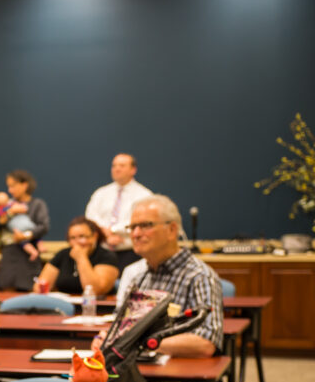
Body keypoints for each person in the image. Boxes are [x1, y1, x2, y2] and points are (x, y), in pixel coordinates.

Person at [95, 195, 223, 357]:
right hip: (134, 371)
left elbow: (206, 343)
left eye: (145, 225)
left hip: (176, 376)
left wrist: (141, 343)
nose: (135, 234)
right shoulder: (139, 277)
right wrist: (105, 338)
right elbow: (120, 329)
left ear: (172, 230)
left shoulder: (200, 276)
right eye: (132, 227)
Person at [85, 153, 153, 271]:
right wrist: (105, 235)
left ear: (133, 170)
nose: (117, 169)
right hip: (102, 252)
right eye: (114, 165)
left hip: (130, 253)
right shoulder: (101, 193)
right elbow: (91, 217)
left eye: (122, 165)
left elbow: (141, 222)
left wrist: (112, 230)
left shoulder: (144, 195)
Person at [0, 170, 50, 291]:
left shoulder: (37, 204)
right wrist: (10, 213)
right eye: (8, 186)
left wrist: (24, 236)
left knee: (30, 291)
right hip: (9, 255)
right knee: (7, 290)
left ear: (25, 185)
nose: (10, 190)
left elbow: (43, 227)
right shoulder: (7, 205)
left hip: (29, 257)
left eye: (13, 186)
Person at [33, 217, 119, 295]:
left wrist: (81, 258)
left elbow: (95, 290)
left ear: (94, 236)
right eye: (72, 238)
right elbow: (40, 286)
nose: (77, 242)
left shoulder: (106, 256)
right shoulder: (63, 254)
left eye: (82, 236)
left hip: (96, 308)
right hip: (64, 306)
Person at [0, 191, 39, 261]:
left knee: (32, 237)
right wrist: (11, 212)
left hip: (26, 230)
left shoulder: (12, 204)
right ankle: (33, 251)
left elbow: (24, 208)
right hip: (13, 242)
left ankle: (36, 249)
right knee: (24, 242)